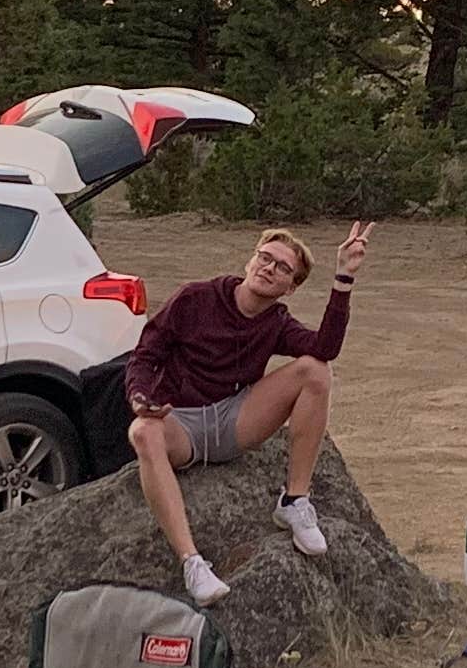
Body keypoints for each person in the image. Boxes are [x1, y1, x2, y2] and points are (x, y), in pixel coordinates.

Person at [123, 221, 372, 606]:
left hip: (234, 420)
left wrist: (343, 278)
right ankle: (193, 563)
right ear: (250, 259)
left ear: (290, 287)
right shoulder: (194, 298)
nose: (269, 268)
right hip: (180, 423)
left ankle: (294, 502)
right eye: (265, 257)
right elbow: (145, 355)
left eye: (282, 268)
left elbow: (325, 347)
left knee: (317, 371)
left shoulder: (276, 321)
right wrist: (140, 397)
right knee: (142, 432)